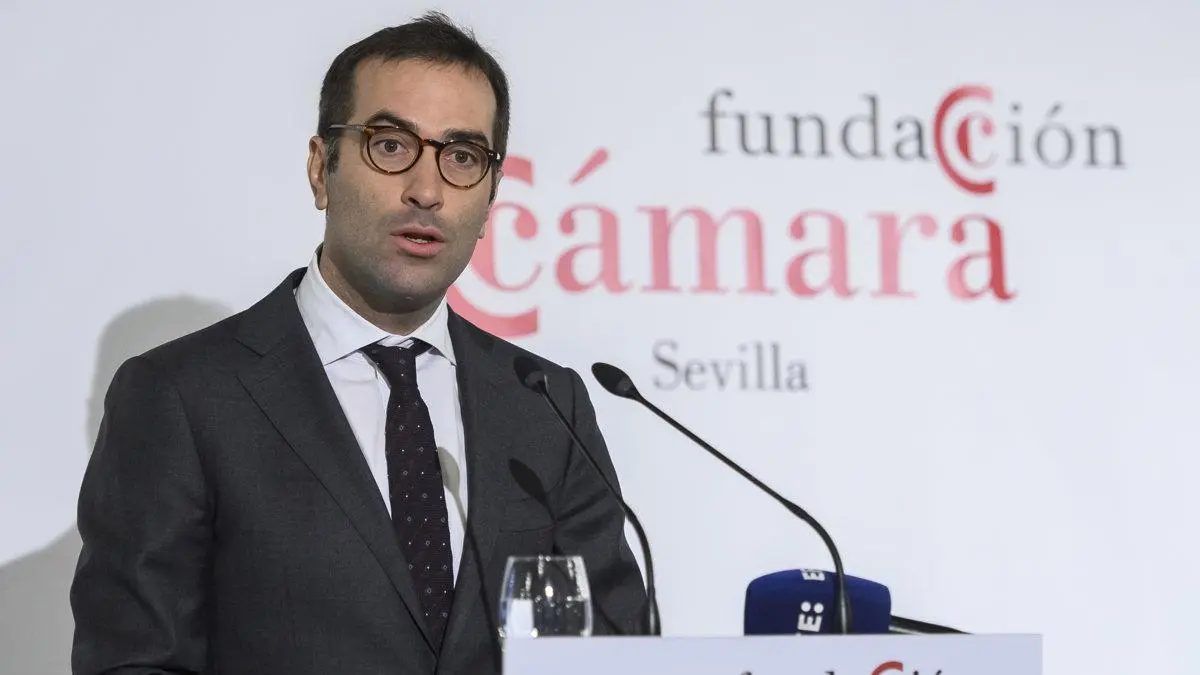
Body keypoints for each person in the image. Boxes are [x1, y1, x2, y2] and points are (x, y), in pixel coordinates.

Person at [70, 12, 649, 675]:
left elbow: (614, 649)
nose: (427, 191)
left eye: (462, 157)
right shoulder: (184, 397)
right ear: (322, 169)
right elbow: (136, 661)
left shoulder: (545, 403)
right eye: (391, 145)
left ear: (491, 197)